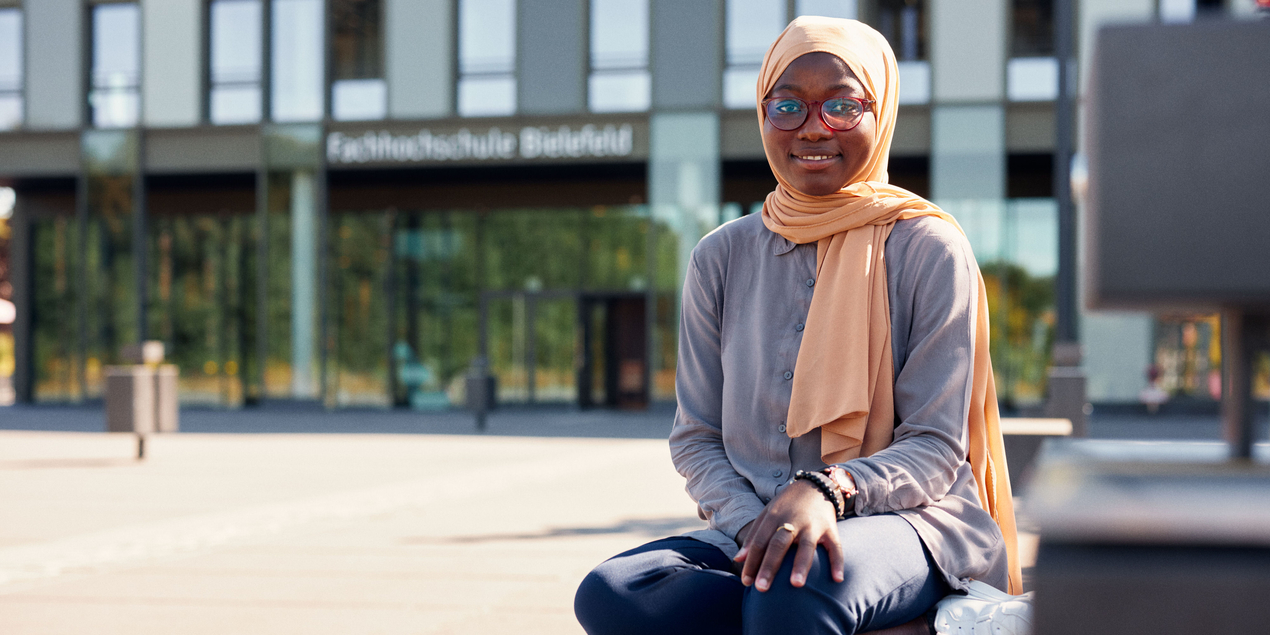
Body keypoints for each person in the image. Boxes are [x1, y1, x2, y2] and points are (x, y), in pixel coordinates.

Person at [575, 16, 1031, 635]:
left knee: (795, 592)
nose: (813, 127)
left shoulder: (928, 247)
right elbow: (697, 438)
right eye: (787, 105)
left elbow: (935, 446)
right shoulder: (722, 255)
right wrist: (757, 526)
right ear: (763, 115)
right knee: (619, 591)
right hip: (758, 520)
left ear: (882, 109)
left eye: (843, 105)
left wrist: (826, 490)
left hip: (915, 520)